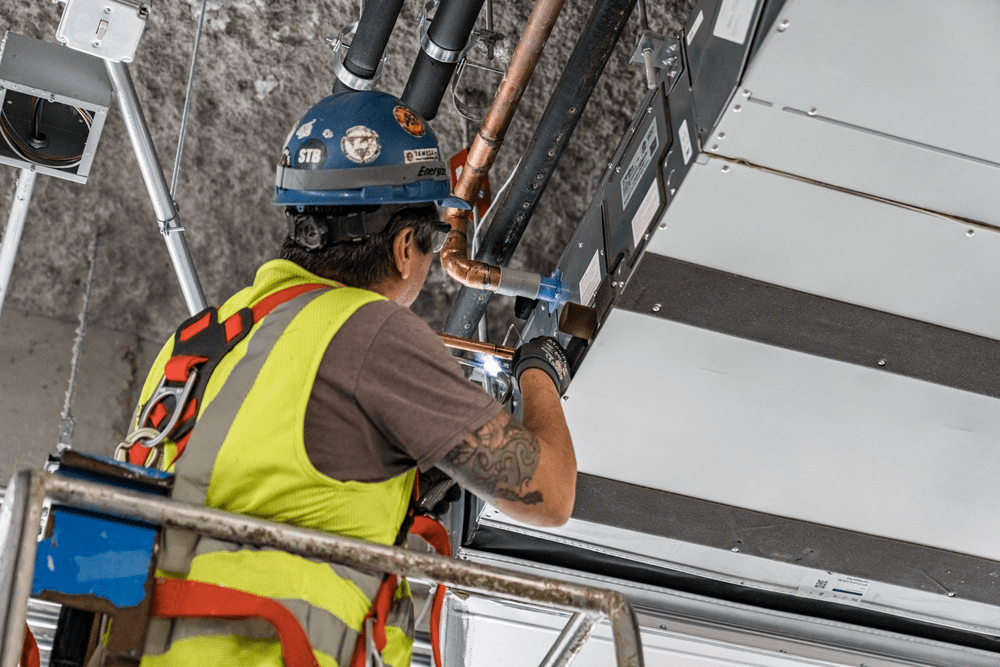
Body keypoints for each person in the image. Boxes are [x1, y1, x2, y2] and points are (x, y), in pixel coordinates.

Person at [131, 90, 577, 667]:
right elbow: (551, 494)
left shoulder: (200, 340)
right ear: (404, 248)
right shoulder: (368, 331)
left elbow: (264, 483)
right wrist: (539, 369)